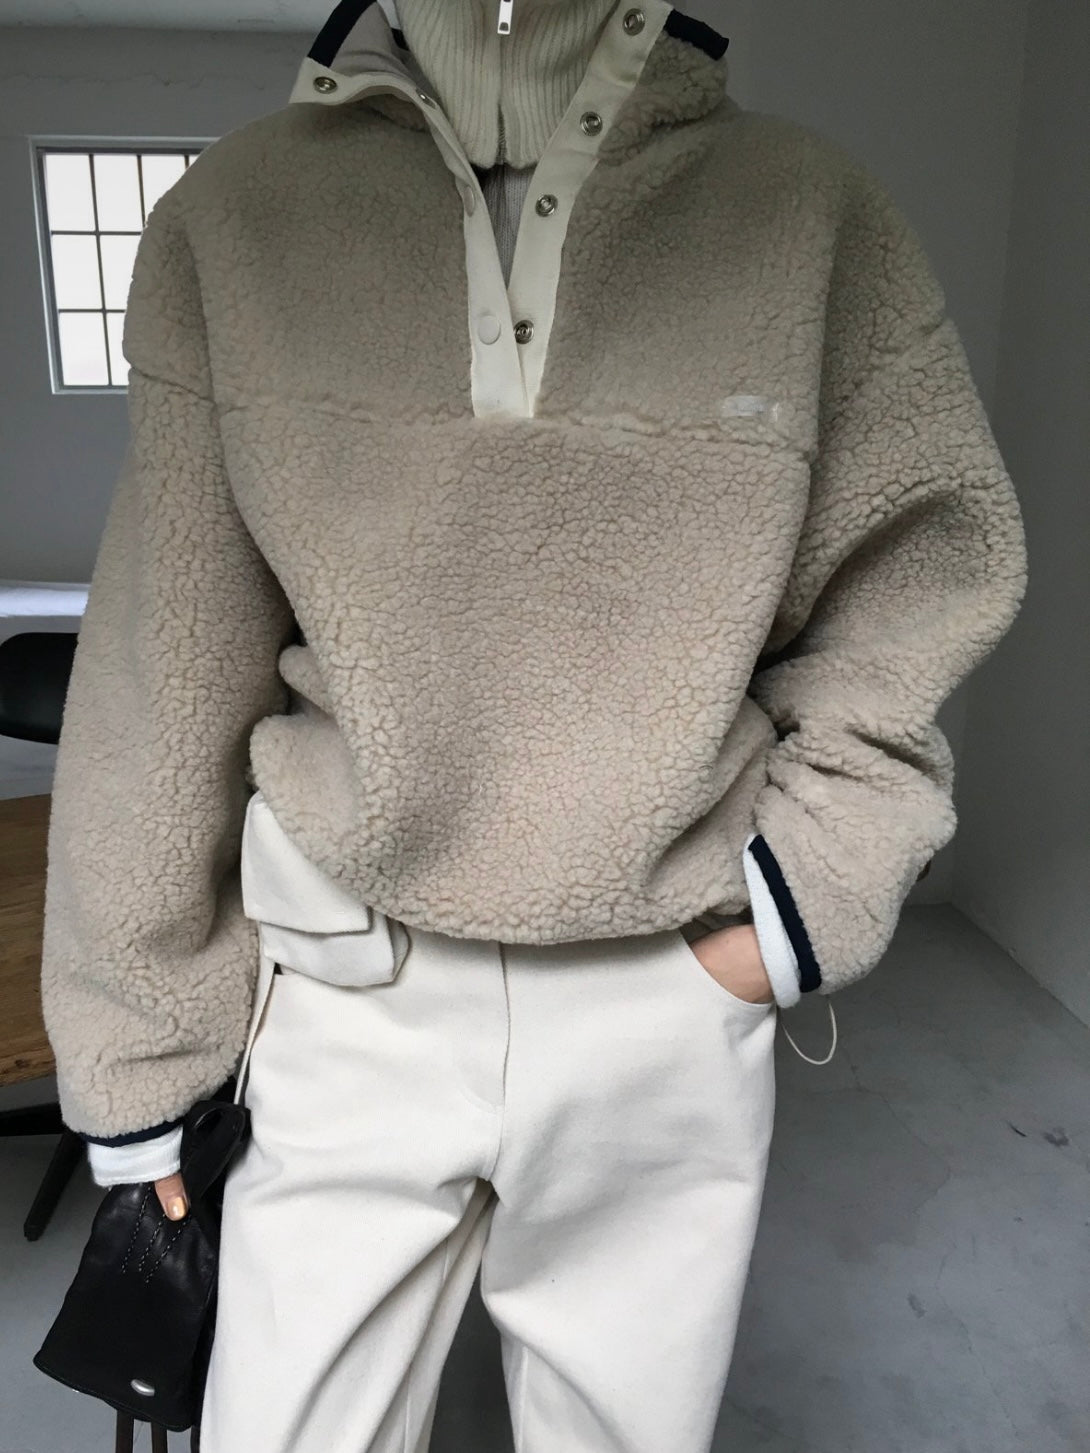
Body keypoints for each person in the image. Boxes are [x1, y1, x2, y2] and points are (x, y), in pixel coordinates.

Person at [40, 0, 1028, 1448]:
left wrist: (799, 902)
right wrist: (139, 1052)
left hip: (665, 985)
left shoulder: (810, 214)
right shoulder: (235, 215)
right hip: (344, 978)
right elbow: (169, 645)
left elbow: (921, 569)